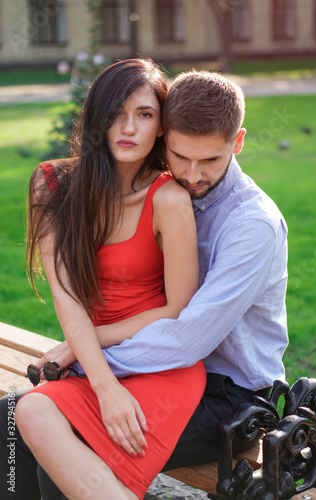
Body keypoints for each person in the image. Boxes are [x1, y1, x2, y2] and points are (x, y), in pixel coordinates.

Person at [0, 68, 288, 499]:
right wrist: (89, 360)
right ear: (165, 139)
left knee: (65, 435)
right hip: (148, 363)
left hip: (228, 397)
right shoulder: (165, 192)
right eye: (180, 156)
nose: (192, 174)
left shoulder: (252, 225)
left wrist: (84, 354)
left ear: (238, 143)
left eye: (209, 160)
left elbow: (187, 337)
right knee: (9, 420)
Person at [3, 58, 206, 500]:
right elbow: (67, 299)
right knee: (11, 428)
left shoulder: (168, 198)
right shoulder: (53, 184)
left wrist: (81, 347)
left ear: (160, 128)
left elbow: (177, 310)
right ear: (96, 117)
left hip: (156, 362)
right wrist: (102, 382)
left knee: (42, 421)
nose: (128, 127)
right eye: (116, 112)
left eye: (145, 114)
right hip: (97, 365)